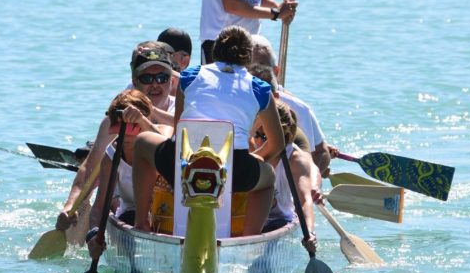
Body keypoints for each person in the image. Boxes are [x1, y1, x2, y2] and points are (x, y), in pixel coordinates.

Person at [132, 25, 285, 235]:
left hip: (183, 163)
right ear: (248, 58)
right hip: (234, 171)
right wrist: (256, 159)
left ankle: (141, 223)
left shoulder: (190, 76)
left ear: (214, 52)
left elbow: (179, 128)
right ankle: (249, 239)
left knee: (142, 143)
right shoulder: (260, 88)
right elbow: (277, 144)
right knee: (268, 177)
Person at [55, 42, 176, 233]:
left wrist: (145, 116)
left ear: (172, 81)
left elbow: (168, 149)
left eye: (162, 77)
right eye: (147, 78)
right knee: (112, 200)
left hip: (168, 205)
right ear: (134, 82)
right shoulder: (114, 120)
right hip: (129, 203)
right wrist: (71, 205)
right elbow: (89, 168)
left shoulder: (181, 115)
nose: (155, 84)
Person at [85, 89, 161, 260]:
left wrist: (142, 120)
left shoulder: (161, 135)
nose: (126, 132)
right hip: (130, 216)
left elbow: (171, 153)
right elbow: (98, 208)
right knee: (129, 216)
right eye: (120, 126)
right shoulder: (111, 155)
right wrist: (93, 234)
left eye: (133, 125)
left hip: (164, 215)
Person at [250, 34, 331, 179]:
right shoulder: (234, 103)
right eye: (249, 67)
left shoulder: (300, 109)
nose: (255, 73)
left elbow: (320, 153)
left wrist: (311, 178)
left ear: (275, 71)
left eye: (261, 66)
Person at [253, 100, 318, 253]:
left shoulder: (296, 159)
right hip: (251, 219)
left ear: (281, 135)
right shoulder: (249, 145)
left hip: (279, 221)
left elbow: (305, 202)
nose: (258, 141)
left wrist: (309, 232)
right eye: (256, 134)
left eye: (264, 136)